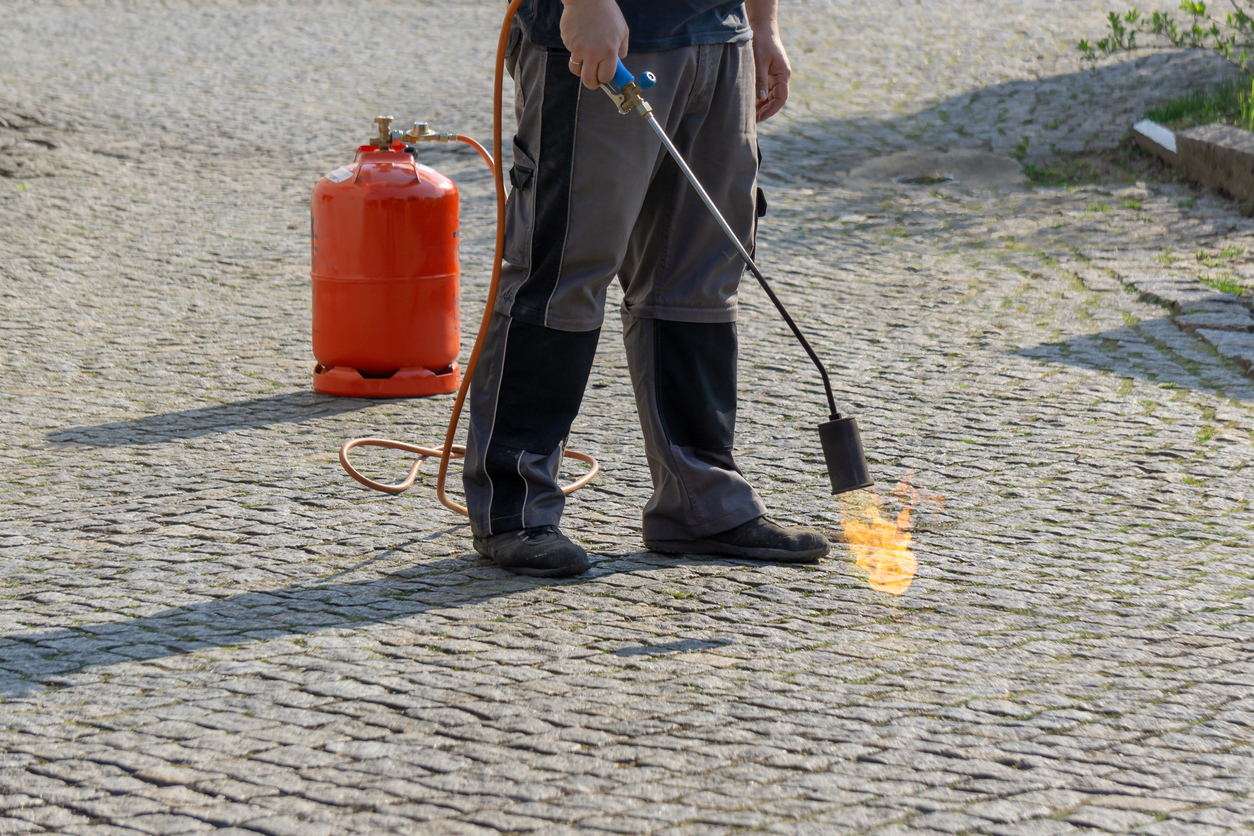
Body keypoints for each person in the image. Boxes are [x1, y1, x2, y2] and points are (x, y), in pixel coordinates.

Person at [463, 0, 830, 577]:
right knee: (563, 272)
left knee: (698, 280)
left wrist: (761, 25)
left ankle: (702, 501)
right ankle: (516, 508)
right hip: (612, 35)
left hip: (719, 38)